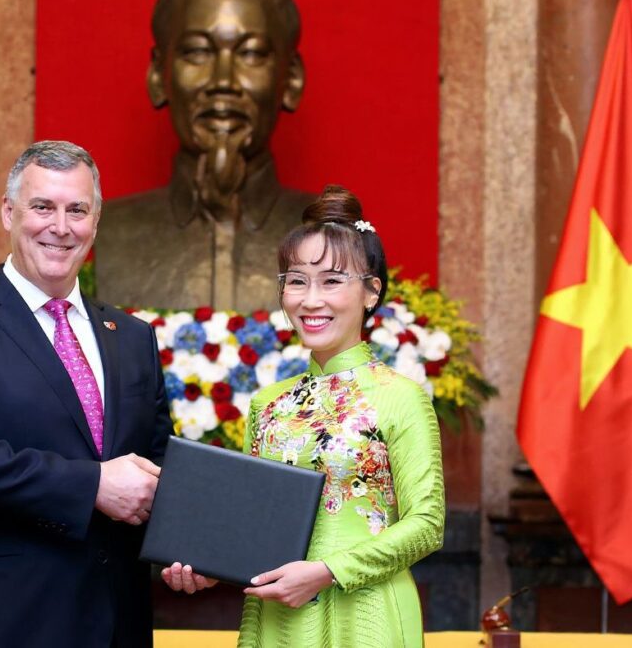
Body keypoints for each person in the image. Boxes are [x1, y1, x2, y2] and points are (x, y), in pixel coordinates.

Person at [0, 140, 173, 648]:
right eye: (43, 207)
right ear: (9, 213)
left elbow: (158, 460)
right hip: (0, 622)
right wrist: (93, 484)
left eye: (78, 210)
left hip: (117, 622)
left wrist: (190, 545)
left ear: (96, 222)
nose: (61, 226)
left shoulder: (132, 336)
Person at [162, 185, 445, 647]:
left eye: (331, 281)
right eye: (297, 281)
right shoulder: (269, 403)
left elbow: (427, 525)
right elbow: (255, 525)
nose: (310, 300)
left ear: (371, 291)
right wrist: (212, 565)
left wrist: (328, 571)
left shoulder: (401, 397)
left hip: (364, 611)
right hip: (280, 615)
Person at [94, 0, 313, 311]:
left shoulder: (336, 237)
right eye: (197, 52)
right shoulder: (111, 230)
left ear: (291, 80)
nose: (223, 81)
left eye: (251, 53)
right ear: (158, 75)